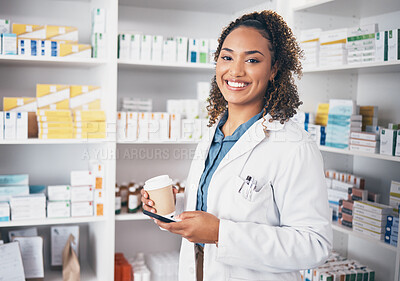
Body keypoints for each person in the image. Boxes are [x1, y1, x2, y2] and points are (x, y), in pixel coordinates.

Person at [141, 10, 332, 281]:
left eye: (252, 60)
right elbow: (218, 206)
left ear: (274, 69)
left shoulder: (294, 145)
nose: (235, 71)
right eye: (227, 57)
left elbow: (314, 244)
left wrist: (221, 234)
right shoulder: (212, 133)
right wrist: (171, 208)